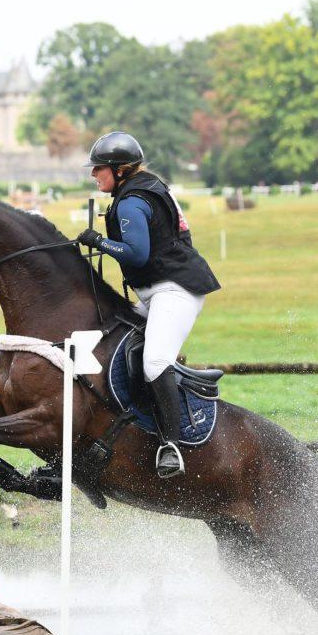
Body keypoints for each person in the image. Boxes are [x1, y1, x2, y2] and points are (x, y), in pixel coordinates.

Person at [76, 131, 221, 478]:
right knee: (111, 335)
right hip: (159, 290)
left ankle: (170, 446)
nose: (94, 175)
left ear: (119, 170)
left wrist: (99, 241)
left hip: (175, 292)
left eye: (99, 169)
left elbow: (137, 255)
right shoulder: (143, 188)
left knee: (155, 361)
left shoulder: (131, 201)